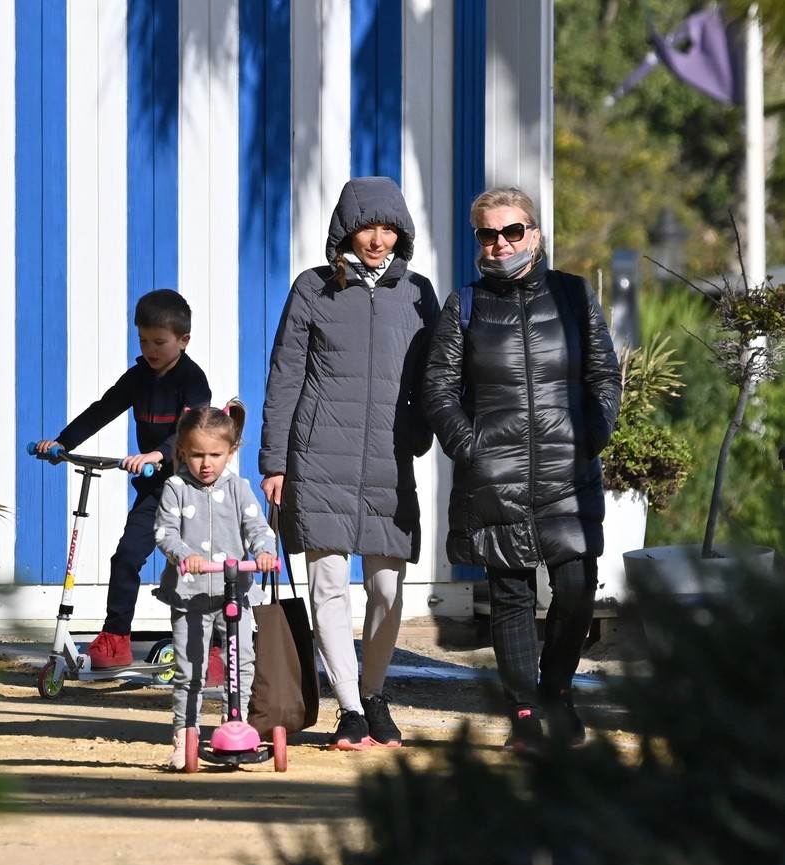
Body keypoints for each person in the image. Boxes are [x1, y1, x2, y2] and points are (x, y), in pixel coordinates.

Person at [422, 187, 621, 753]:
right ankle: (525, 713)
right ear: (477, 240)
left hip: (568, 470)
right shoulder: (464, 305)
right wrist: (472, 446)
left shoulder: (574, 296)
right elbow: (438, 390)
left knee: (578, 587)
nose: (501, 243)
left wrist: (592, 433)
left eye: (513, 231)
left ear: (535, 232)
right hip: (495, 474)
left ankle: (557, 689)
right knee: (509, 596)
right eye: (489, 234)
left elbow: (604, 375)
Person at [259, 177, 438, 751]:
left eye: (389, 228)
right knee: (328, 585)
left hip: (389, 460)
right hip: (318, 458)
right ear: (346, 230)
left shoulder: (418, 293)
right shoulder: (312, 289)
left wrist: (420, 434)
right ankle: (352, 708)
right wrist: (275, 460)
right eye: (368, 227)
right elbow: (284, 375)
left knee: (387, 587)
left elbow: (436, 377)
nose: (378, 239)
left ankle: (375, 689)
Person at [34, 289, 212, 669]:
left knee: (198, 568)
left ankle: (211, 647)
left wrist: (159, 454)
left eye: (159, 342)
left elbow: (189, 429)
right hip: (154, 490)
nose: (150, 349)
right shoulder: (139, 376)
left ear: (184, 341)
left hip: (193, 490)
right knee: (126, 557)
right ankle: (116, 638)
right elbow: (104, 408)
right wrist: (62, 442)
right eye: (144, 340)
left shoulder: (193, 381)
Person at [153, 401, 277, 769]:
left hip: (235, 591)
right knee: (190, 668)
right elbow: (165, 532)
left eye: (215, 454)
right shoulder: (176, 488)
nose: (206, 464)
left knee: (241, 664)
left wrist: (265, 552)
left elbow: (257, 529)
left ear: (231, 452)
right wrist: (183, 554)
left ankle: (234, 726)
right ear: (182, 452)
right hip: (190, 593)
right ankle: (185, 734)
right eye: (196, 455)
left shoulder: (238, 488)